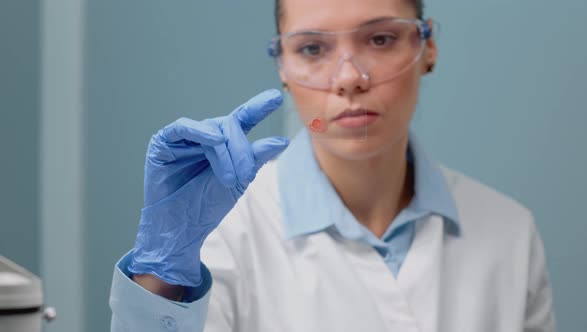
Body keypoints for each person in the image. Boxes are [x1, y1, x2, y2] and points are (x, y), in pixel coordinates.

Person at [109, 0, 556, 331]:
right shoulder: (224, 231)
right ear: (282, 66)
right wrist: (162, 279)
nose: (348, 79)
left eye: (380, 39)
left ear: (428, 47)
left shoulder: (510, 233)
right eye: (312, 48)